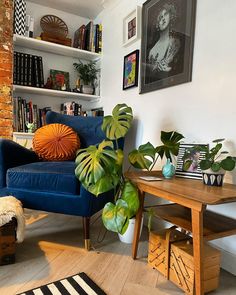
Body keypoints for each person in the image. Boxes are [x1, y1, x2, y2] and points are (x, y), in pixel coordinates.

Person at [145, 3, 185, 83]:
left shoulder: (175, 42)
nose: (163, 19)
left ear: (171, 17)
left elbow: (176, 72)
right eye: (160, 17)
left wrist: (168, 69)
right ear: (157, 23)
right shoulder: (151, 50)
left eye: (165, 14)